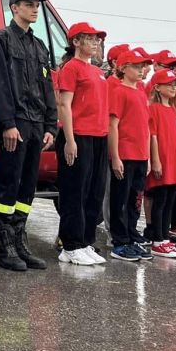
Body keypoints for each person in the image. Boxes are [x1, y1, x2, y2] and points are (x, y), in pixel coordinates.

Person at [0, 0, 57, 272]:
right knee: (8, 184)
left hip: (37, 126)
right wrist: (8, 124)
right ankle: (6, 248)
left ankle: (19, 242)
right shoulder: (0, 41)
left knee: (27, 187)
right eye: (29, 4)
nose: (35, 9)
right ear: (14, 8)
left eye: (36, 5)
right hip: (15, 126)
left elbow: (46, 88)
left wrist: (50, 125)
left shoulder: (38, 46)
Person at [54, 22, 110, 267]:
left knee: (93, 193)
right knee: (75, 193)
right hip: (78, 136)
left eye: (97, 39)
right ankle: (70, 245)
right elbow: (64, 105)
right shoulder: (71, 68)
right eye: (90, 38)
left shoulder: (97, 71)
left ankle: (85, 242)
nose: (95, 43)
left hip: (99, 136)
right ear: (76, 41)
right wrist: (69, 139)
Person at [107, 49, 154, 262]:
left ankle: (131, 234)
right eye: (136, 66)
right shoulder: (119, 91)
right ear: (124, 68)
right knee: (120, 199)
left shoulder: (141, 93)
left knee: (135, 199)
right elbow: (113, 125)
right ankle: (120, 241)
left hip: (141, 156)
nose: (141, 70)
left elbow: (145, 127)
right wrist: (115, 156)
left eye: (142, 66)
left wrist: (148, 157)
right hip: (125, 154)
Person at [145, 70, 176, 258]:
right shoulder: (153, 109)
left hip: (175, 162)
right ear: (157, 87)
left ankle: (164, 238)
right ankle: (157, 240)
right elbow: (153, 136)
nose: (173, 87)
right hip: (162, 160)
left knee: (170, 200)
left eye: (174, 84)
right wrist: (155, 160)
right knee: (160, 200)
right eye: (169, 84)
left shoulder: (174, 110)